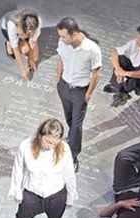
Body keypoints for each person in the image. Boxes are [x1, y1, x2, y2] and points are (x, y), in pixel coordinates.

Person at [8, 119, 78, 218]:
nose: (51, 145)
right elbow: (18, 170)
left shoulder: (63, 148)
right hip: (32, 193)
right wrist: (17, 191)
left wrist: (71, 195)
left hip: (56, 194)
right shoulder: (26, 146)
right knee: (21, 217)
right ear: (40, 135)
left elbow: (69, 173)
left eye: (54, 142)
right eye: (48, 141)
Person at [56, 17, 102, 172]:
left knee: (76, 125)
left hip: (80, 92)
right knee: (70, 120)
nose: (61, 39)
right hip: (64, 87)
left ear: (74, 34)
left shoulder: (92, 49)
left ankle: (73, 156)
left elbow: (96, 73)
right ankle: (73, 139)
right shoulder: (63, 43)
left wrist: (88, 95)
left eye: (63, 36)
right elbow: (61, 59)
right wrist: (59, 81)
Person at [103, 24, 140, 107]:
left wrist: (124, 73)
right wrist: (118, 69)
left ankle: (123, 92)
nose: (136, 40)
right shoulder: (134, 43)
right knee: (121, 58)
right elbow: (114, 51)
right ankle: (118, 86)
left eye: (139, 39)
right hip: (134, 71)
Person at [1, 9, 42, 80]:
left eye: (23, 35)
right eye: (21, 34)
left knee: (35, 58)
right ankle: (8, 43)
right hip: (6, 30)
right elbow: (16, 50)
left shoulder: (37, 23)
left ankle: (22, 40)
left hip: (24, 30)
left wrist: (31, 60)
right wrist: (22, 70)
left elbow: (33, 42)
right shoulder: (12, 26)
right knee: (22, 50)